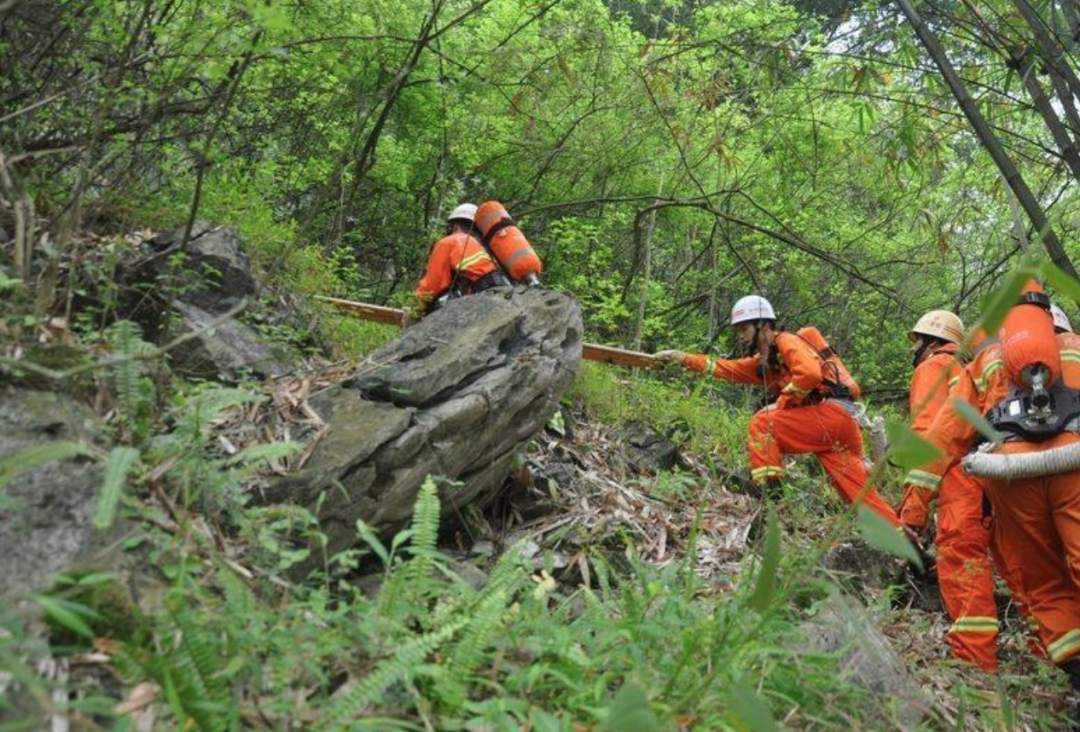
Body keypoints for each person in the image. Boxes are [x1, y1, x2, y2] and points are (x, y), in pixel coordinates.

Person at [901, 283, 1080, 718]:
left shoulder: (985, 361)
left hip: (1010, 479)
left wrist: (913, 507)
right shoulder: (1076, 347)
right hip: (1075, 465)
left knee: (1043, 584)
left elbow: (942, 435)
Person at [653, 295, 901, 526]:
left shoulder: (786, 341)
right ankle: (908, 544)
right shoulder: (767, 362)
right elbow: (724, 368)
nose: (740, 336)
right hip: (837, 427)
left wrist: (781, 402)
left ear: (762, 325)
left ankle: (771, 495)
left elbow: (811, 374)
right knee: (857, 495)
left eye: (744, 329)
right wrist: (682, 358)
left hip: (831, 416)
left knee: (764, 422)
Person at [897, 310, 1001, 671]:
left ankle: (976, 660)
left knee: (961, 553)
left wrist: (914, 503)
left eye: (919, 342)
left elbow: (931, 431)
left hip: (963, 473)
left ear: (931, 342)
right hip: (1003, 469)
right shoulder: (969, 370)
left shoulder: (933, 367)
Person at [411, 203, 510, 319]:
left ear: (454, 226)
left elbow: (433, 284)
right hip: (502, 297)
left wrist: (415, 309)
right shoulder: (488, 250)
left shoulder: (449, 242)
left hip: (476, 304)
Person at [473, 200, 543, 286]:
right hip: (530, 264)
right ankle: (532, 281)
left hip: (515, 269)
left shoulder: (480, 220)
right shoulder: (497, 213)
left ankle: (530, 281)